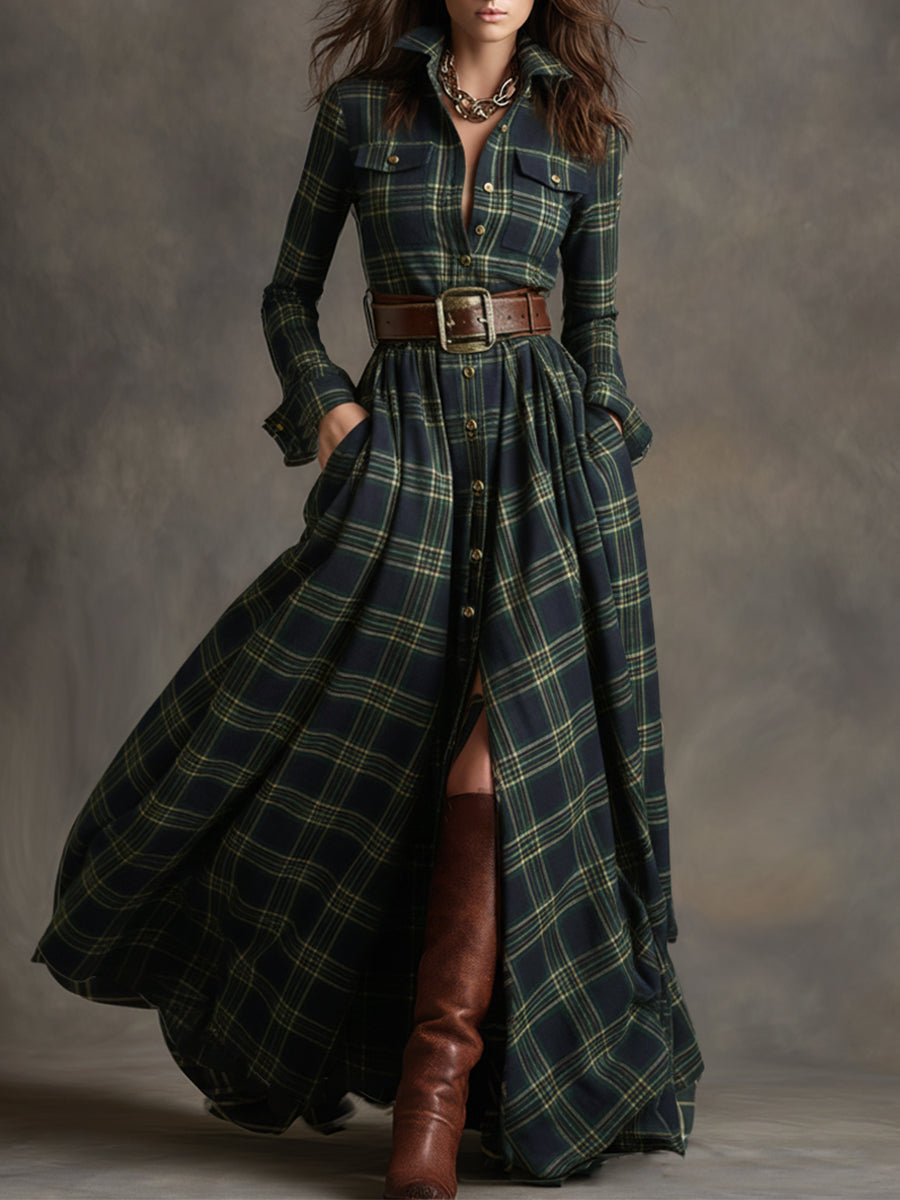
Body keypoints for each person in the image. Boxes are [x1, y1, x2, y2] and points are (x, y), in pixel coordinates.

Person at [33, 1, 704, 1196]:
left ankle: (436, 1101)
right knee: (358, 738)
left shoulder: (583, 132)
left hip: (547, 467)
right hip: (406, 454)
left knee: (501, 762)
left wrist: (605, 432)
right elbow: (287, 295)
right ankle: (316, 1020)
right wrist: (332, 411)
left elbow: (596, 323)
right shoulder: (361, 114)